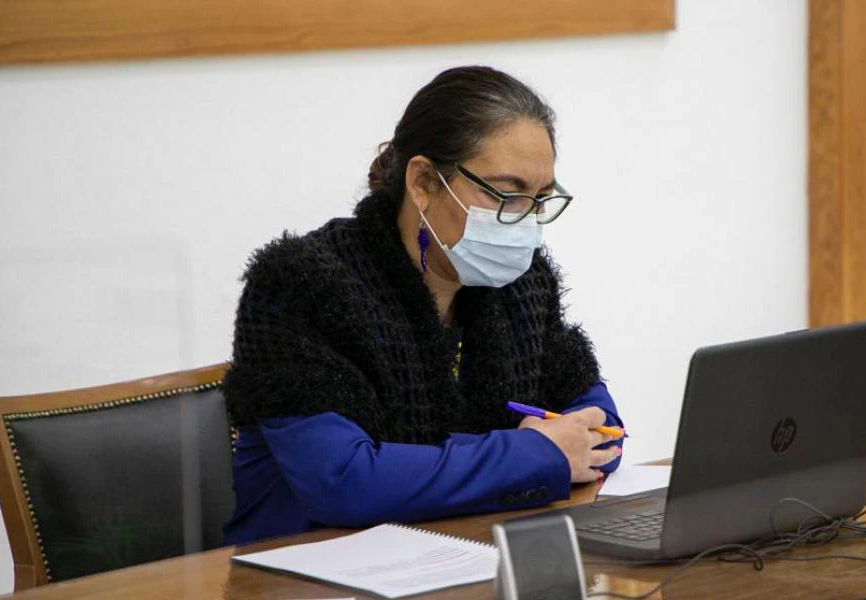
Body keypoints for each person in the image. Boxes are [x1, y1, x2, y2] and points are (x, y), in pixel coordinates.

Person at [222, 66, 624, 545]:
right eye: (507, 193)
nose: (526, 225)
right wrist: (532, 454)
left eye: (538, 199)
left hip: (462, 554)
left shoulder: (521, 284)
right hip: (301, 566)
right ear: (424, 182)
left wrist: (554, 448)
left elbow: (601, 428)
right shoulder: (304, 284)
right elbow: (345, 482)